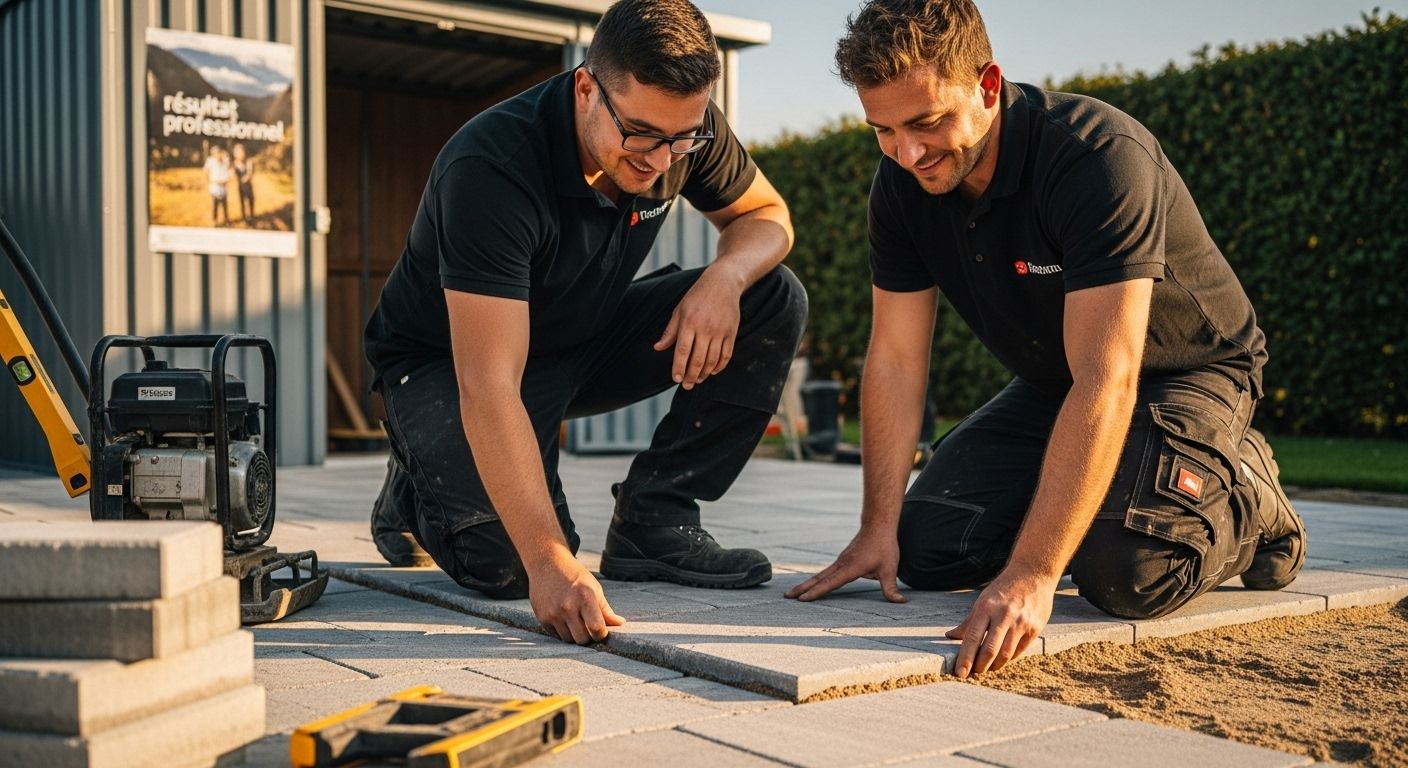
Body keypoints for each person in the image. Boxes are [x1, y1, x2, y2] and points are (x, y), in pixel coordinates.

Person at [786, 0, 1305, 679]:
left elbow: (1109, 377)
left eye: (928, 121)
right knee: (925, 550)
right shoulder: (901, 188)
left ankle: (1244, 489)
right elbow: (894, 359)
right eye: (882, 129)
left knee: (1128, 570)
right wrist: (875, 526)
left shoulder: (1095, 158)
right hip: (1055, 383)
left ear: (988, 86)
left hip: (1187, 373)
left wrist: (1034, 571)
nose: (907, 152)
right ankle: (1125, 494)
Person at [363, 0, 806, 645]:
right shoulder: (492, 169)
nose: (661, 160)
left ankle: (655, 520)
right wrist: (548, 562)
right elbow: (488, 385)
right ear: (586, 88)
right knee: (518, 564)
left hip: (577, 336)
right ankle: (414, 485)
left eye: (682, 139)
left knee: (771, 295)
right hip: (449, 367)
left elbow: (767, 216)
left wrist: (725, 279)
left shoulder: (681, 126)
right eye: (642, 135)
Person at [204, 145, 230, 226]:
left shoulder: (225, 160)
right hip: (214, 186)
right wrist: (211, 180)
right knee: (215, 205)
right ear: (213, 154)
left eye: (219, 152)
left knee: (224, 204)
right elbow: (205, 171)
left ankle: (226, 219)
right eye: (215, 153)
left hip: (223, 186)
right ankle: (214, 220)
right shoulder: (210, 161)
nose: (217, 154)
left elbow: (228, 171)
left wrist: (225, 180)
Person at [232, 143, 255, 223]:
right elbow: (233, 173)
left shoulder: (248, 161)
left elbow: (250, 172)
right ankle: (244, 218)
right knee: (242, 202)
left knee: (250, 201)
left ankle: (251, 216)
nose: (240, 154)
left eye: (241, 152)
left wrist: (246, 178)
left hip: (248, 185)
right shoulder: (235, 163)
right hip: (240, 186)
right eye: (237, 152)